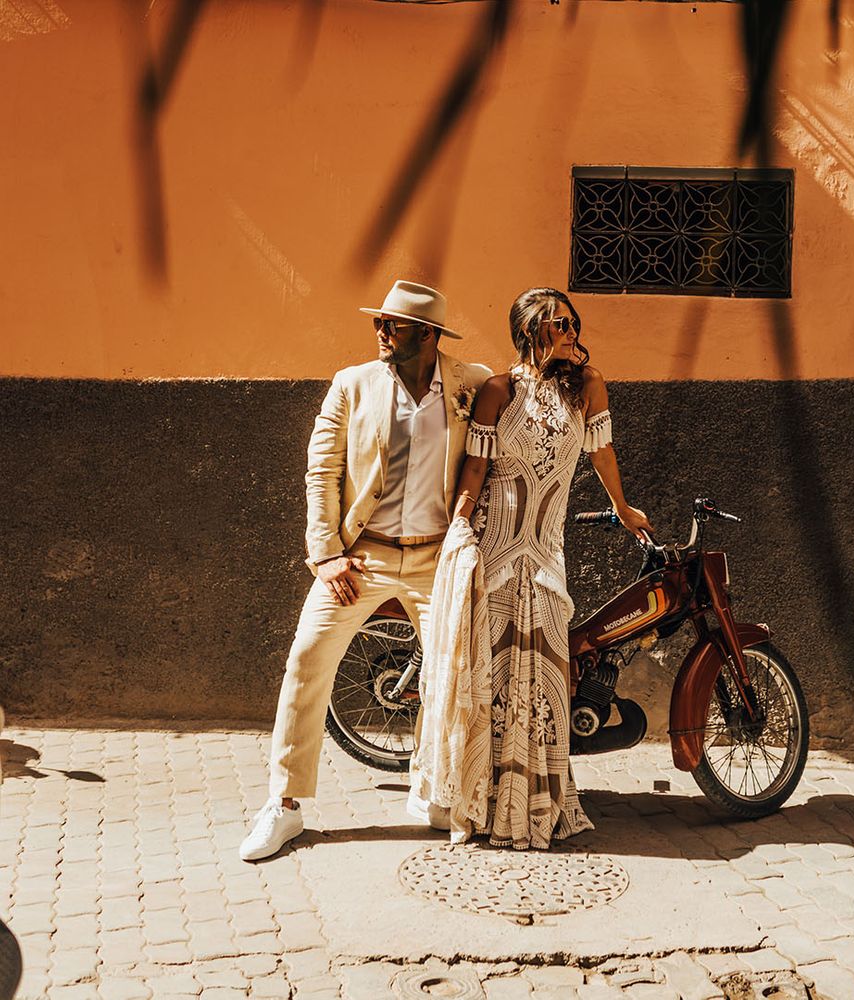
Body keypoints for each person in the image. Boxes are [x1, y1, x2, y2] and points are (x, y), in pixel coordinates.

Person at [240, 280, 491, 861]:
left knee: (450, 675)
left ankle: (436, 790)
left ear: (427, 335)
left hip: (437, 558)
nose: (380, 332)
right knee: (307, 659)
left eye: (392, 325)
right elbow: (321, 473)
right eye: (379, 322)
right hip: (362, 556)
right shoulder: (352, 385)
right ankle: (284, 805)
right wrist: (326, 553)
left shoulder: (470, 384)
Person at [409, 287, 652, 850]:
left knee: (546, 674)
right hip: (496, 545)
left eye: (572, 322)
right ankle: (486, 798)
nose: (570, 332)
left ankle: (537, 796)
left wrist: (622, 507)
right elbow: (477, 468)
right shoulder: (499, 390)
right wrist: (460, 525)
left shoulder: (587, 387)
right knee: (492, 674)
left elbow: (602, 453)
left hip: (545, 551)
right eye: (557, 324)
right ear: (528, 331)